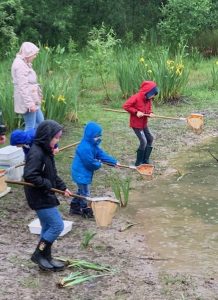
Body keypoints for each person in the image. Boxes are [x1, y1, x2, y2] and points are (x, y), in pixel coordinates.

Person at [23, 120, 72, 271]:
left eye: (59, 138)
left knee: (47, 227)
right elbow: (30, 175)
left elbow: (52, 175)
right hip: (39, 196)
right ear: (46, 136)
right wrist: (47, 184)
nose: (57, 141)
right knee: (57, 225)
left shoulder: (46, 151)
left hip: (45, 193)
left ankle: (46, 257)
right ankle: (39, 254)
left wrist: (63, 187)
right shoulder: (36, 153)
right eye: (56, 138)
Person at [70, 121, 118, 218]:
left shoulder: (93, 145)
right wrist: (98, 164)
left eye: (99, 135)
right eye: (96, 135)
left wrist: (114, 162)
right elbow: (90, 163)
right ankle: (85, 210)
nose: (99, 137)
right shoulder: (84, 147)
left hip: (83, 173)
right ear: (90, 135)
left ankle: (74, 207)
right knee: (85, 193)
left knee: (81, 191)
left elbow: (101, 154)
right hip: (80, 173)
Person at [122, 80, 159, 166]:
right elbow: (126, 106)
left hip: (144, 123)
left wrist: (150, 113)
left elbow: (149, 108)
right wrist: (136, 112)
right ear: (148, 92)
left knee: (150, 139)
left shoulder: (148, 99)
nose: (153, 96)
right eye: (153, 94)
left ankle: (145, 160)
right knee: (143, 141)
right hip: (136, 125)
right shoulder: (136, 97)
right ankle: (138, 163)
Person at [11, 42, 44, 131]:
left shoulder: (24, 62)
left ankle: (38, 143)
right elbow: (23, 87)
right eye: (34, 54)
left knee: (41, 123)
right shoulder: (20, 65)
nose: (35, 56)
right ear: (28, 53)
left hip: (33, 98)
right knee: (30, 126)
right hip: (28, 101)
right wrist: (30, 104)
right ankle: (27, 144)